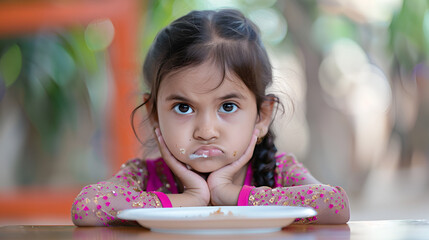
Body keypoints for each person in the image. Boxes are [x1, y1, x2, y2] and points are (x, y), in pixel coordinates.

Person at [71, 9, 350, 226]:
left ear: (262, 115)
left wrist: (230, 194)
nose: (206, 131)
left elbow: (335, 205)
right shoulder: (145, 175)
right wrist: (189, 199)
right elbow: (88, 207)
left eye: (227, 107)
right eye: (183, 108)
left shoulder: (279, 170)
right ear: (154, 114)